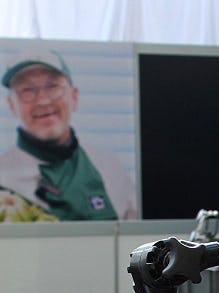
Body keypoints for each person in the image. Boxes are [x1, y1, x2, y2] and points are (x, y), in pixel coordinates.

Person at [0, 48, 136, 221]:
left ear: (74, 97)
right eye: (27, 90)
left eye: (53, 87)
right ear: (12, 105)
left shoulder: (109, 167)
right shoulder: (3, 179)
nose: (42, 100)